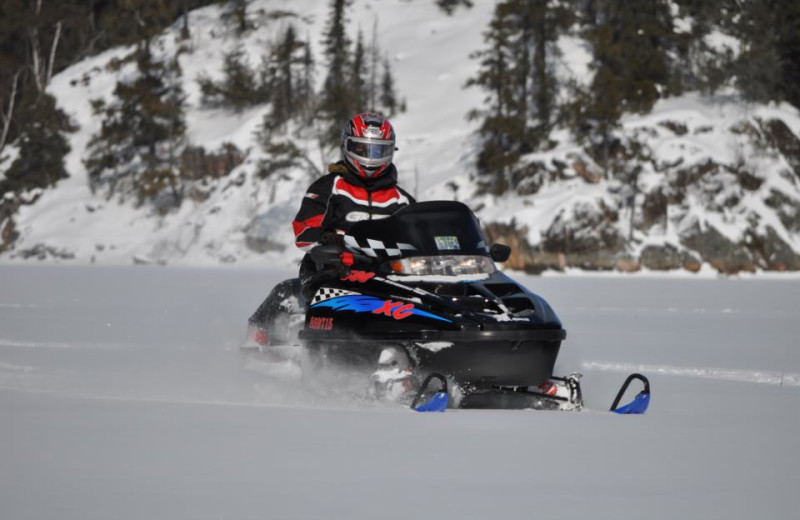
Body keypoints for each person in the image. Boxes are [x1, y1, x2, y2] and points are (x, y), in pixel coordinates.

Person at [292, 112, 415, 295]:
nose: (371, 158)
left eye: (379, 151)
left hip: (387, 273)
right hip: (331, 267)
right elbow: (304, 229)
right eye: (362, 150)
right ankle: (311, 320)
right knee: (329, 280)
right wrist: (325, 239)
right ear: (347, 146)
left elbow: (418, 237)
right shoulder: (329, 187)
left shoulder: (401, 199)